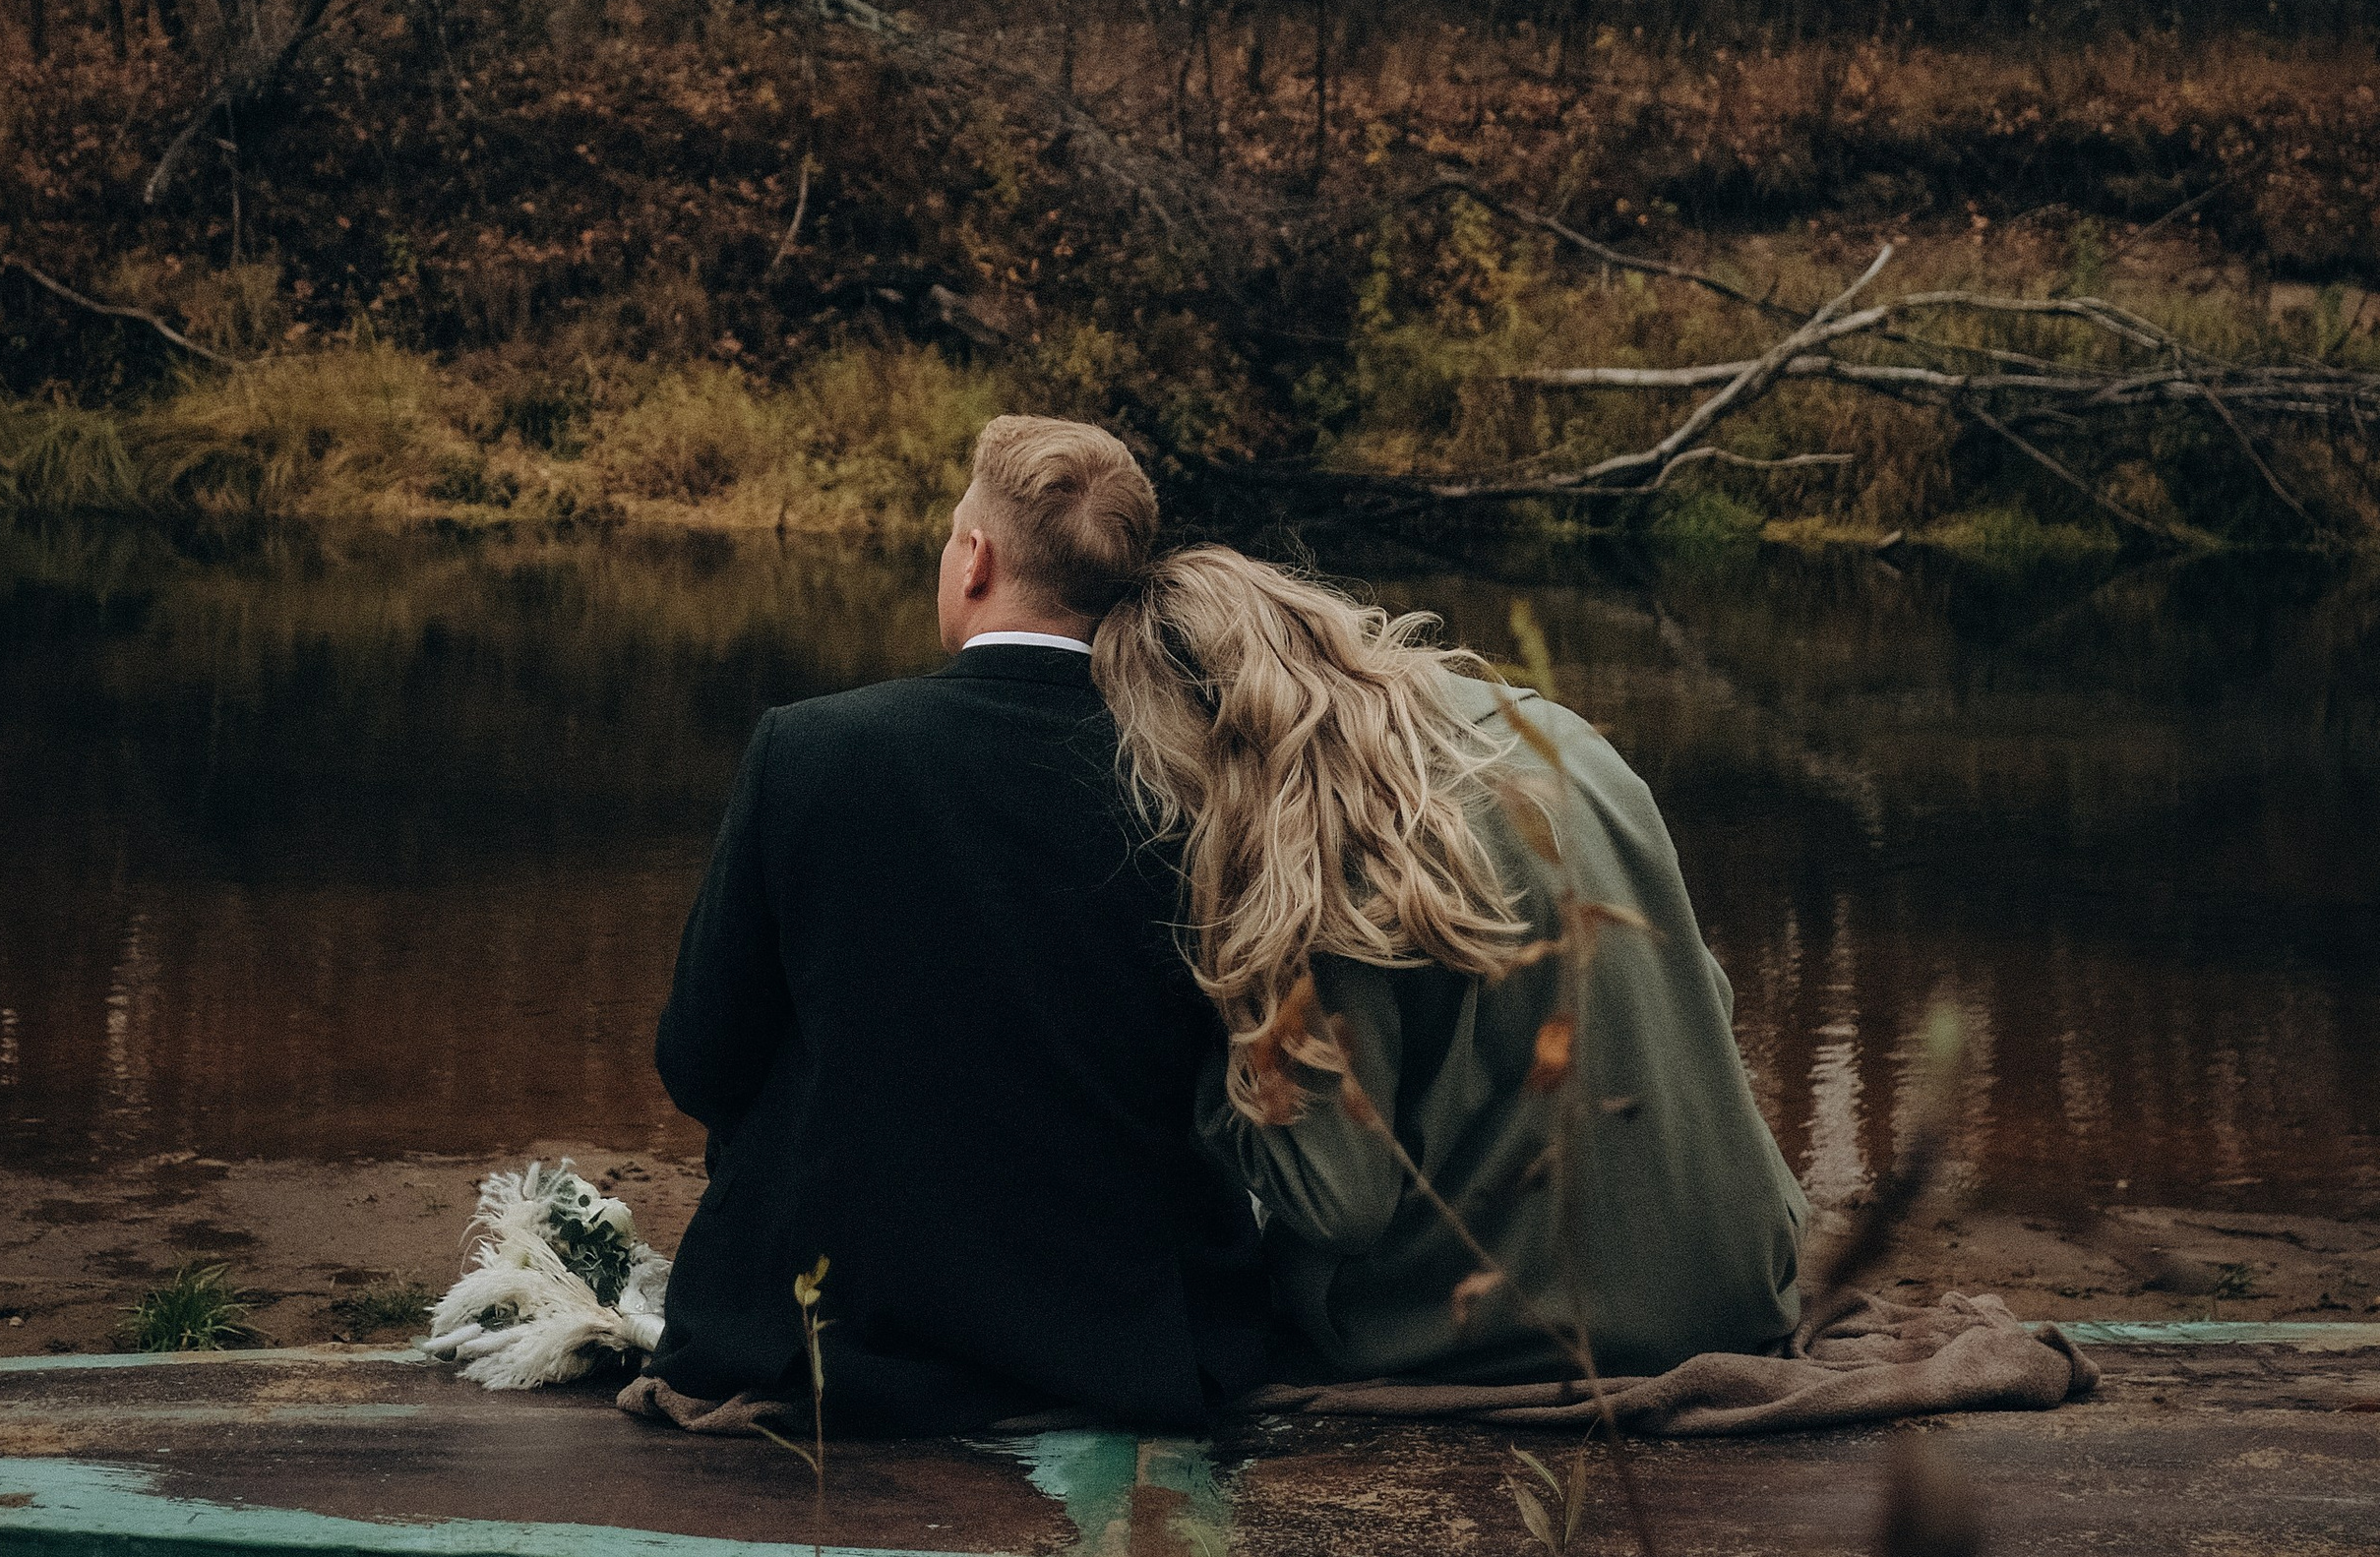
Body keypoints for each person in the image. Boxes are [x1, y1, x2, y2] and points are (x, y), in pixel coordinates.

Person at [630, 419, 1271, 1436]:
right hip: (1122, 1331)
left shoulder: (811, 748)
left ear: (975, 559)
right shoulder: (1199, 779)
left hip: (843, 1325)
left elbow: (701, 1060)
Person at [1093, 546, 1804, 1386]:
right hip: (1750, 1277)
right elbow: (1710, 995)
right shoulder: (1548, 729)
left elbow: (1340, 1201)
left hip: (1566, 1330)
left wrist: (1203, 1076)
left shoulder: (1320, 844)